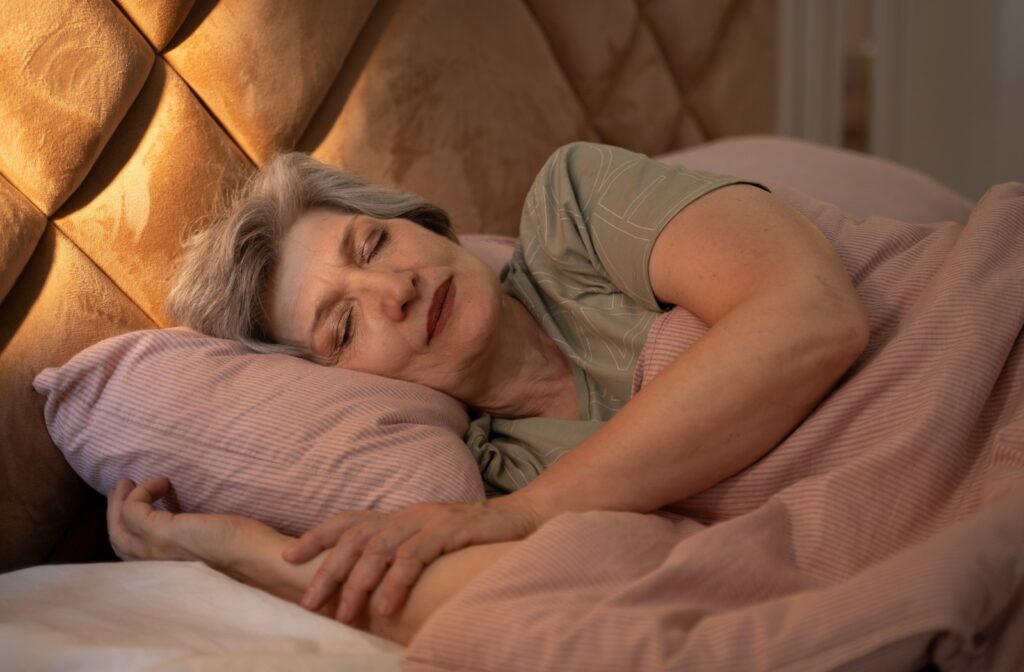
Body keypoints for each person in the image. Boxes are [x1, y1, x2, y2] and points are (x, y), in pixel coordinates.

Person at [107, 142, 869, 641]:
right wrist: (234, 550)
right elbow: (530, 613)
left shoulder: (575, 210)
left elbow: (814, 313)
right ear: (343, 390)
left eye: (373, 244)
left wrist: (523, 515)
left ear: (420, 223)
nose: (393, 291)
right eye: (343, 328)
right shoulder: (488, 482)